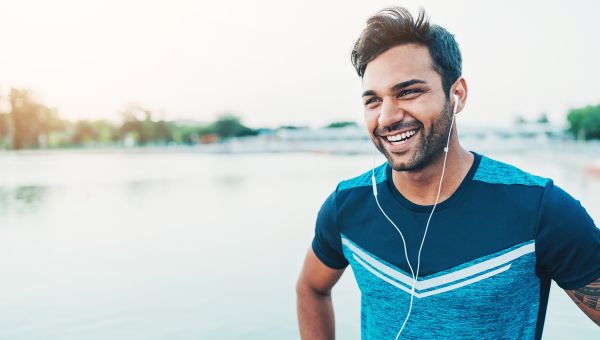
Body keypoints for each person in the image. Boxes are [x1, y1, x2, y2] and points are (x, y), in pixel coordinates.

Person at [296, 6, 600, 340]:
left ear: (457, 95)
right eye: (373, 100)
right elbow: (311, 288)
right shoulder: (347, 205)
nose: (386, 117)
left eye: (408, 92)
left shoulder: (538, 208)